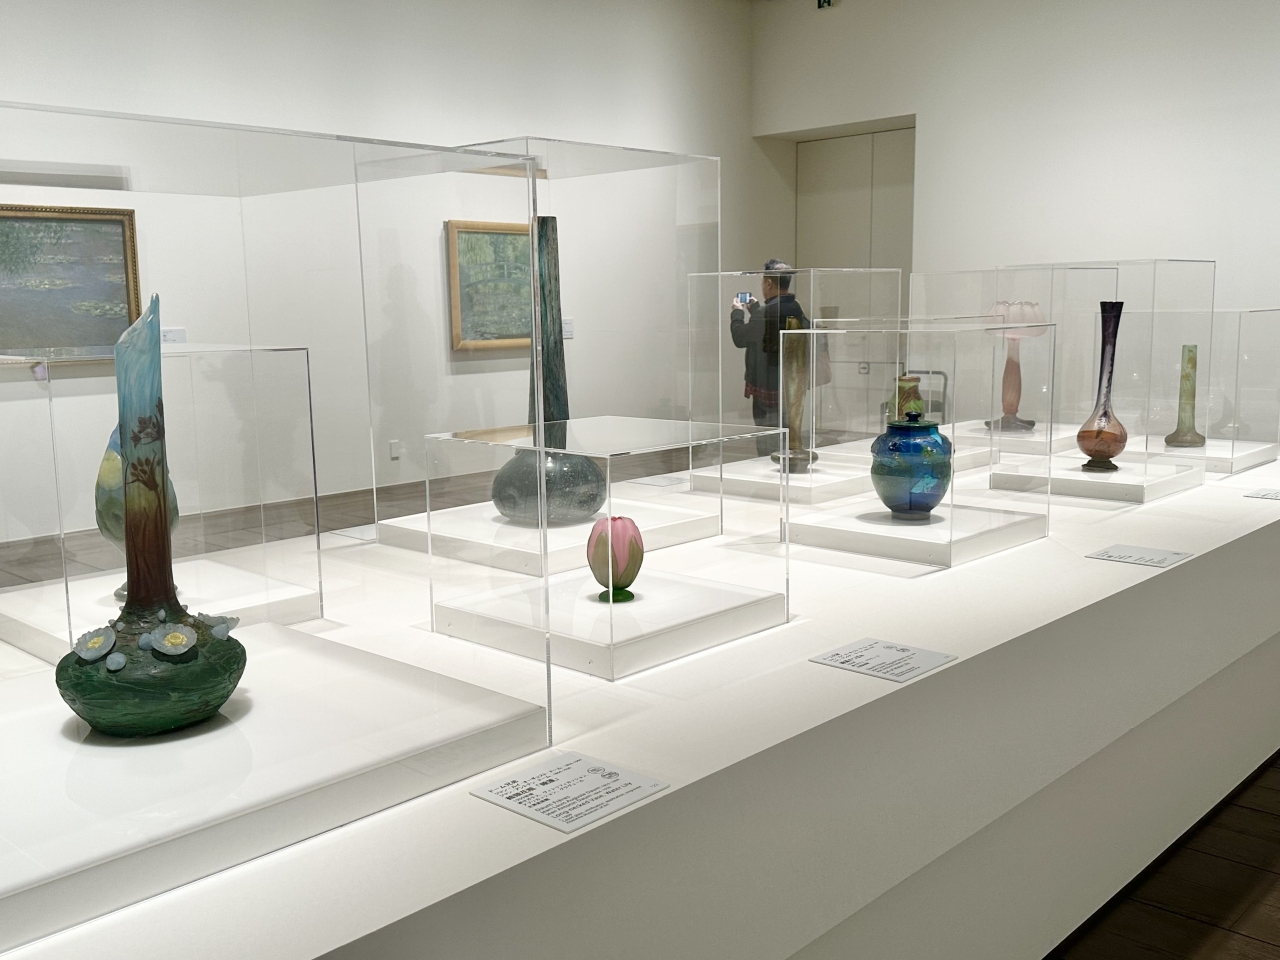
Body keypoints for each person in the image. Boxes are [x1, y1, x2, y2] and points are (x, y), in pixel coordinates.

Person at [730, 259, 809, 456]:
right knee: (787, 430)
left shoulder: (766, 312)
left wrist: (737, 314)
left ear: (768, 284)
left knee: (767, 435)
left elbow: (740, 338)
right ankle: (788, 462)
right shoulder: (795, 307)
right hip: (789, 383)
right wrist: (756, 310)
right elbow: (766, 331)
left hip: (766, 383)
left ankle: (770, 464)